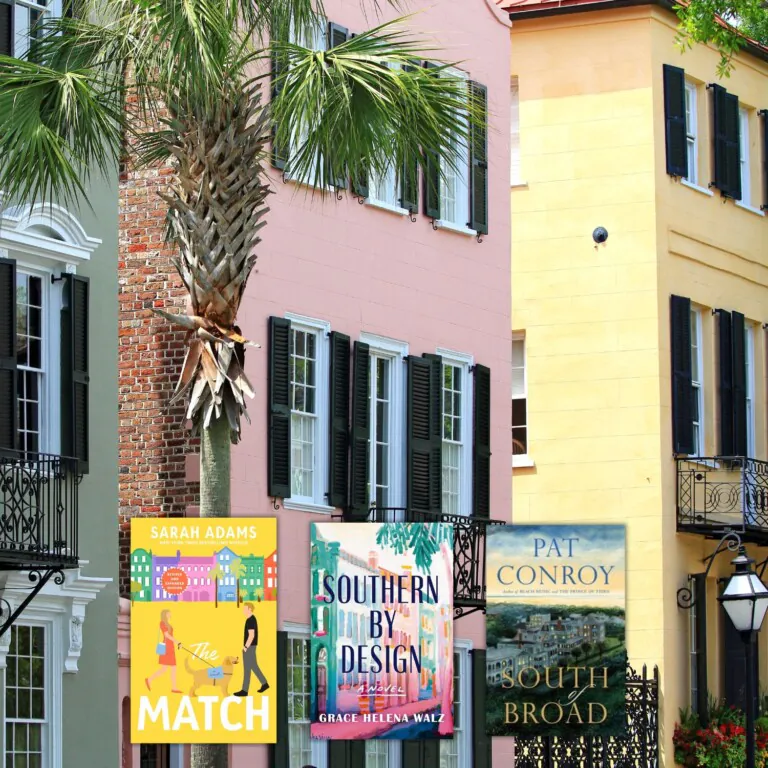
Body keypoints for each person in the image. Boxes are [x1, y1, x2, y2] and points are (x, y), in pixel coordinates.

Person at [234, 602, 269, 696]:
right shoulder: (251, 619)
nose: (243, 610)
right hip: (252, 647)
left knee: (247, 669)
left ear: (250, 609)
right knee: (254, 666)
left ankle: (244, 690)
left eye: (245, 609)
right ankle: (264, 683)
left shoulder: (250, 620)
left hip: (249, 647)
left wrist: (245, 647)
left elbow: (251, 635)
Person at [145, 609, 182, 693]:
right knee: (168, 668)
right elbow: (166, 635)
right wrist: (177, 641)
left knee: (168, 668)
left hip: (170, 647)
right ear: (165, 614)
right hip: (166, 648)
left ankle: (173, 687)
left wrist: (176, 643)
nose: (170, 614)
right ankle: (173, 687)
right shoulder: (162, 623)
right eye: (169, 613)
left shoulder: (168, 624)